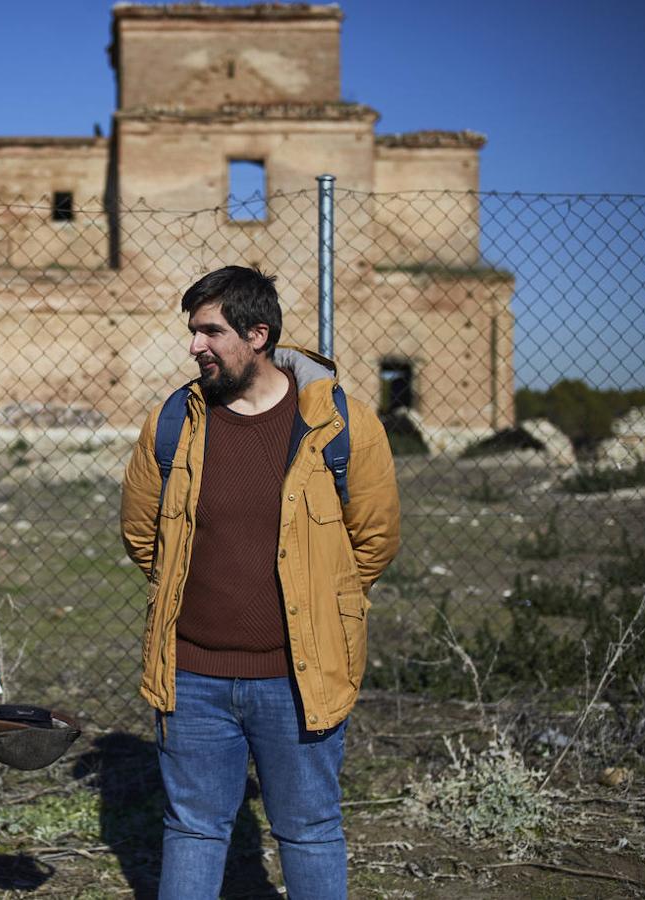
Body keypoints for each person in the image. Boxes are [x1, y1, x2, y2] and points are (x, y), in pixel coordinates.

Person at [120, 266, 400, 899]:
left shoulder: (341, 424)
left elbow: (373, 540)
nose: (195, 347)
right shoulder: (175, 422)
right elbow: (144, 535)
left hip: (299, 676)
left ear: (258, 334)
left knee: (308, 829)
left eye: (210, 332)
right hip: (191, 677)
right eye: (192, 331)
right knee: (193, 828)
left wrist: (319, 605)